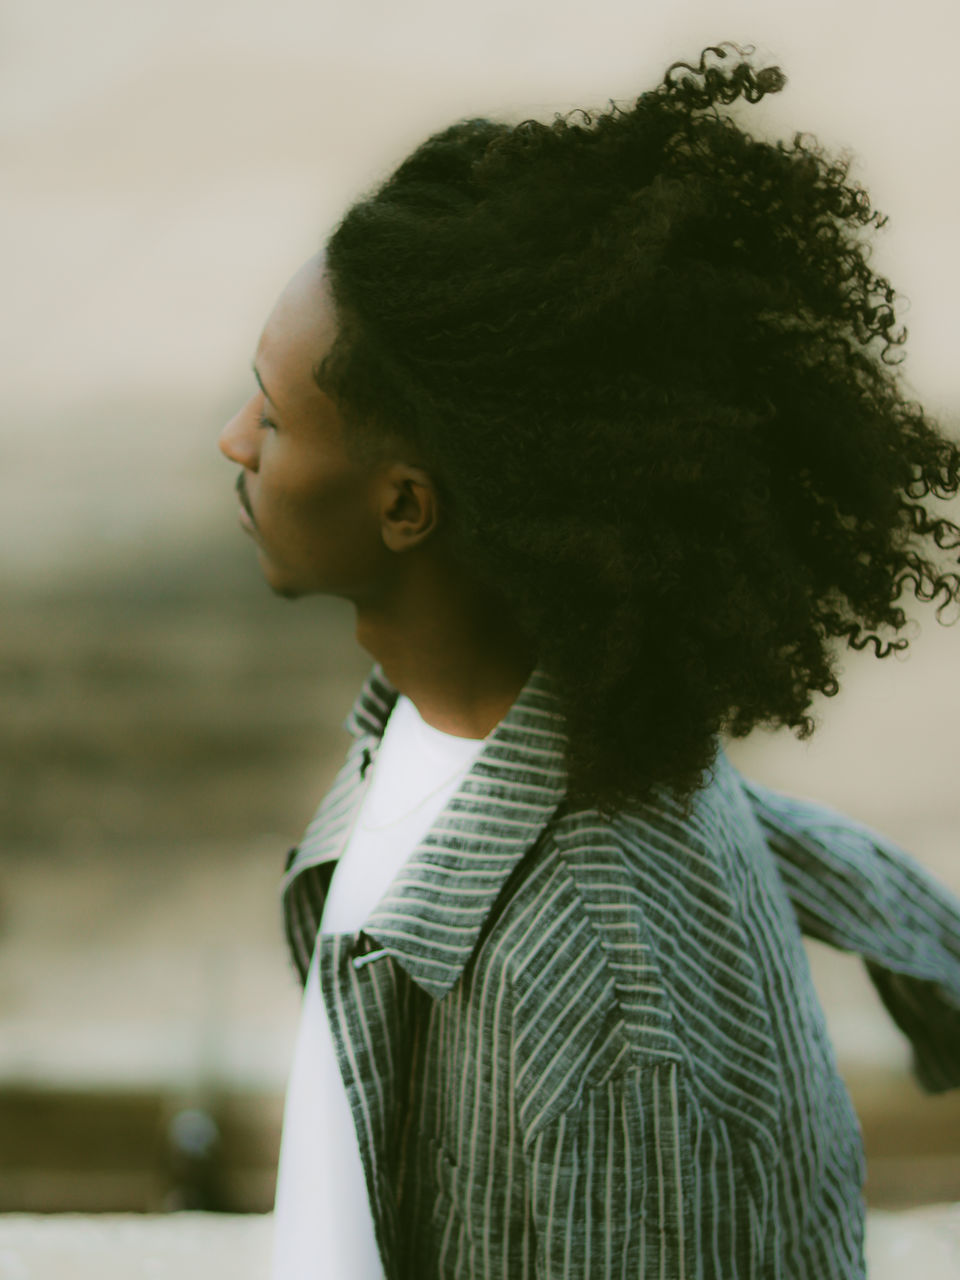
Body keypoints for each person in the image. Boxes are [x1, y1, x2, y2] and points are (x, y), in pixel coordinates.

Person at [218, 41, 960, 1279]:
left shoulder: (610, 1009)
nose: (233, 437)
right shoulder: (437, 725)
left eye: (276, 416)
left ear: (407, 507)